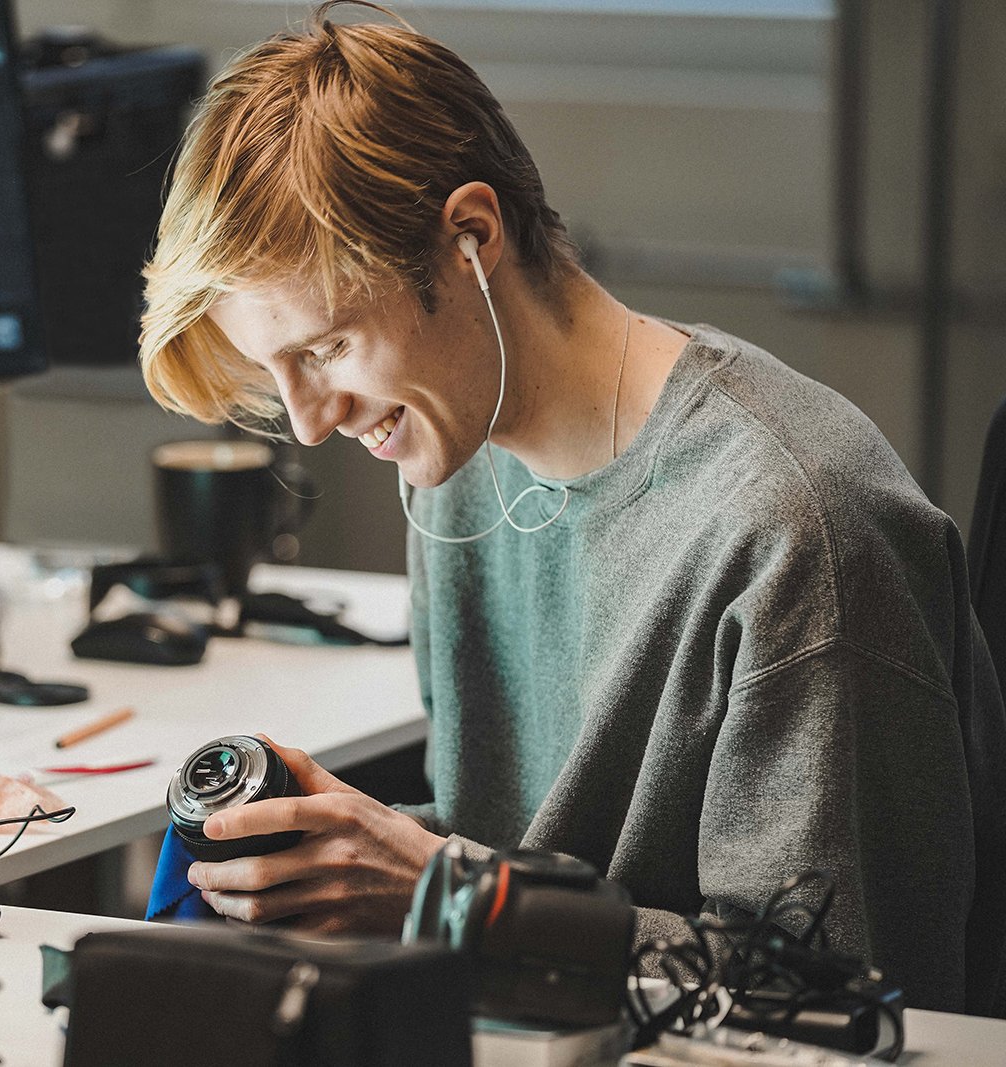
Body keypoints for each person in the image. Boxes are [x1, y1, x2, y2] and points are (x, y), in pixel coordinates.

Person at [136, 1, 1006, 1016]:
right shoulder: (457, 454)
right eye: (271, 369)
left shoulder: (800, 527)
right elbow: (536, 843)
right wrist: (347, 851)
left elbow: (834, 1001)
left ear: (468, 237)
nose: (311, 420)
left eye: (325, 348)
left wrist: (445, 897)